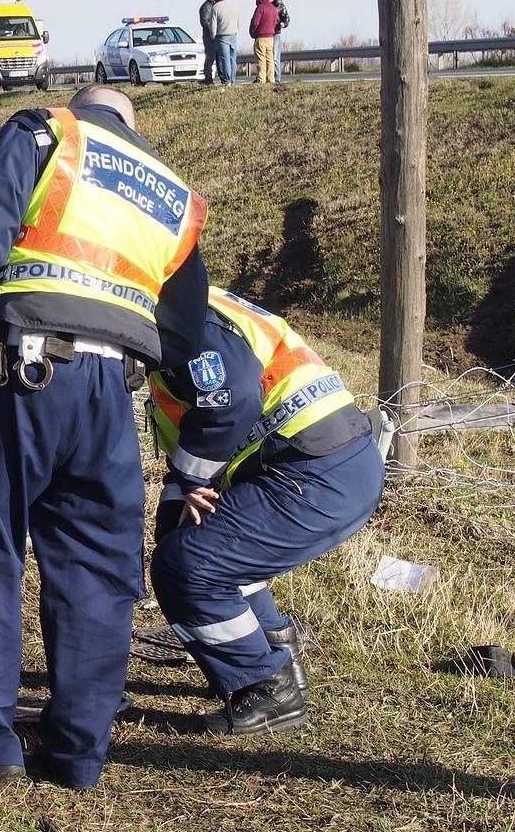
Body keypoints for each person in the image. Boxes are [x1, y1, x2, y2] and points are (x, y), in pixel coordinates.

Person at [0, 85, 210, 809]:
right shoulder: (173, 193)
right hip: (110, 399)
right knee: (97, 573)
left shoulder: (47, 136)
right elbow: (189, 329)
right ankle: (78, 750)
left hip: (21, 374)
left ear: (83, 105)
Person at [146, 287, 382, 734]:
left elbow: (230, 400)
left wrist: (186, 481)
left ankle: (269, 686)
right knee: (205, 546)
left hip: (313, 469)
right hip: (330, 457)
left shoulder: (177, 314)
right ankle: (274, 650)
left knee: (186, 565)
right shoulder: (200, 300)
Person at [209, 0, 240, 85]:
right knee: (233, 59)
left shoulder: (216, 7)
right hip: (233, 34)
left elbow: (213, 25)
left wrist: (213, 36)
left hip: (222, 36)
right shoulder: (235, 5)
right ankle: (233, 80)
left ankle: (227, 81)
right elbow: (238, 22)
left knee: (225, 59)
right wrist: (236, 31)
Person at [250, 0, 280, 84]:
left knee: (261, 58)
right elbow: (276, 21)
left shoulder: (260, 8)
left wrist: (253, 31)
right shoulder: (274, 8)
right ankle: (271, 79)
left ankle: (261, 79)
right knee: (270, 58)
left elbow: (255, 22)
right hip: (271, 37)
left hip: (261, 37)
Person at [199, 0, 220, 84]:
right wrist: (213, 30)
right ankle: (208, 79)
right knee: (210, 58)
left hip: (214, 36)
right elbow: (204, 22)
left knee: (217, 58)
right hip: (209, 37)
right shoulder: (206, 6)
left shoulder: (213, 5)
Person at [272, 0, 291, 82]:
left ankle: (277, 79)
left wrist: (283, 24)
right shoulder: (264, 5)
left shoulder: (279, 5)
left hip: (276, 33)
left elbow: (286, 18)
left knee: (275, 57)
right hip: (267, 34)